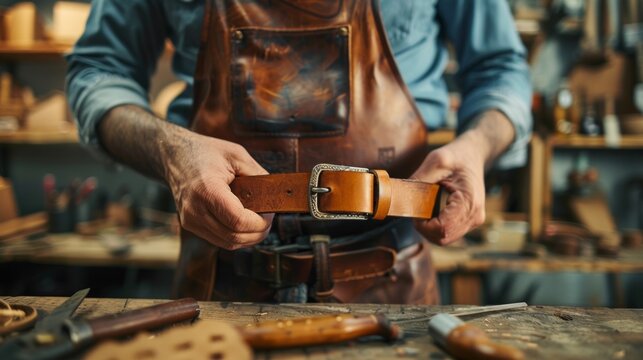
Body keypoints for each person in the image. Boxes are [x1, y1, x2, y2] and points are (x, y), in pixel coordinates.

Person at [66, 0, 532, 304]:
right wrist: (168, 149)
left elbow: (500, 67)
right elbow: (97, 70)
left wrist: (478, 145)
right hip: (218, 285)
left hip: (392, 284)